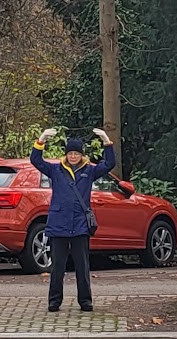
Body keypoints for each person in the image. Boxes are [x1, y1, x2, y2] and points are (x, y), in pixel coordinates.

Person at [29, 126, 116, 313]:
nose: (73, 156)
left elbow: (109, 164)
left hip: (80, 225)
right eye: (70, 153)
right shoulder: (55, 170)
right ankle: (54, 301)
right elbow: (36, 160)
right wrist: (41, 140)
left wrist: (106, 141)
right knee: (57, 267)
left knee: (82, 267)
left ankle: (85, 301)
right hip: (58, 225)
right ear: (66, 155)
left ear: (81, 155)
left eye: (76, 153)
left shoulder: (89, 171)